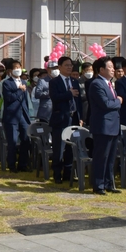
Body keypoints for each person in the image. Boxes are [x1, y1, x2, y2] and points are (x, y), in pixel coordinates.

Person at [87, 57, 120, 194]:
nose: (113, 69)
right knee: (101, 157)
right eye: (110, 67)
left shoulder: (109, 83)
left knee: (111, 157)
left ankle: (108, 183)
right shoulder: (96, 84)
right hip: (103, 126)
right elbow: (105, 104)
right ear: (101, 69)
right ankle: (98, 185)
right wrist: (118, 101)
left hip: (113, 125)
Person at [49, 56, 82, 184]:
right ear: (60, 67)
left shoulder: (75, 81)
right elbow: (55, 97)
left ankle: (68, 174)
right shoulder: (54, 82)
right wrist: (69, 94)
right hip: (60, 119)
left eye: (71, 65)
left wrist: (81, 117)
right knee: (59, 148)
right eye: (67, 65)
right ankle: (57, 174)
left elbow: (78, 100)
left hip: (73, 117)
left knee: (71, 148)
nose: (69, 67)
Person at [0, 60, 31, 172]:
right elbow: (8, 98)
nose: (18, 69)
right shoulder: (6, 83)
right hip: (12, 116)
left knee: (25, 140)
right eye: (15, 68)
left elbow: (25, 100)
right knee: (12, 141)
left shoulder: (23, 81)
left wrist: (27, 113)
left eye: (19, 67)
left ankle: (23, 164)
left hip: (23, 115)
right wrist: (20, 90)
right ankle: (12, 164)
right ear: (10, 71)